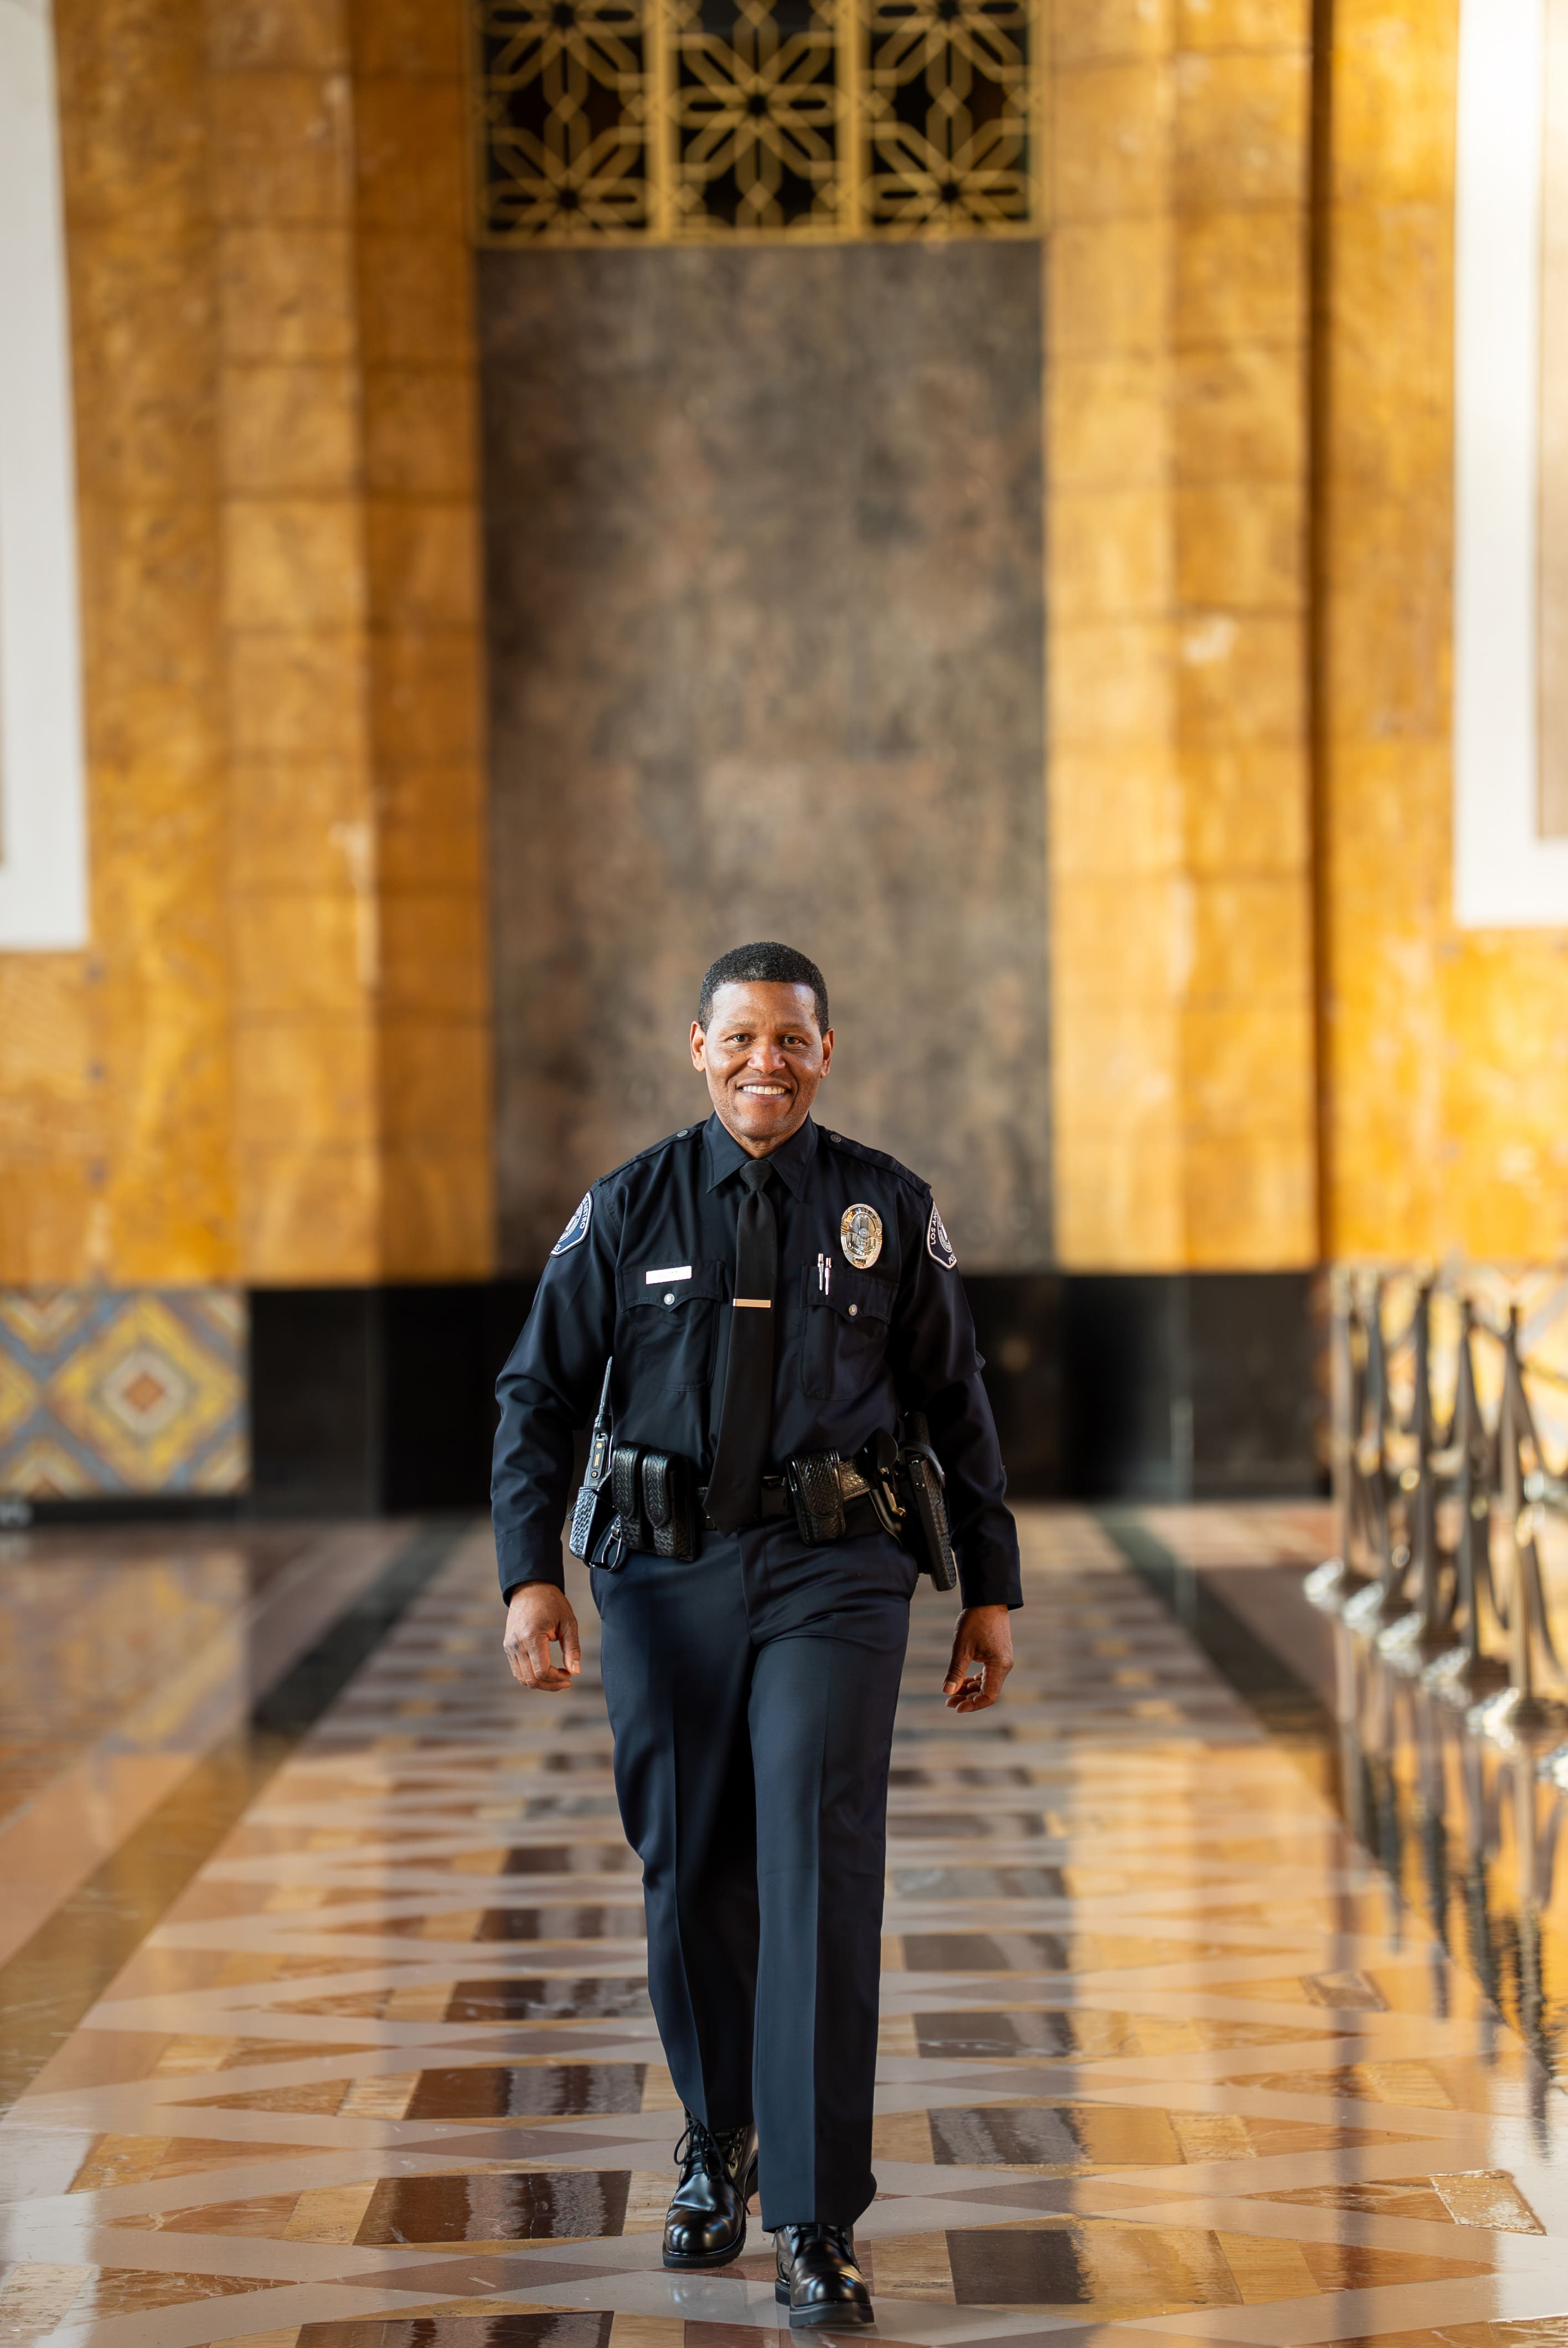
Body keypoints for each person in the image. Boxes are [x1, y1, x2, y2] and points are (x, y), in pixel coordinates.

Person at [493, 941, 1020, 2329]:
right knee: (692, 1864)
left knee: (820, 1863)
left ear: (824, 1052)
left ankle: (813, 2217)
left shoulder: (884, 1206)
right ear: (699, 1045)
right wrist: (527, 1573)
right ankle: (715, 2136)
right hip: (663, 1582)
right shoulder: (626, 1207)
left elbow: (957, 1398)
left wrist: (989, 1584)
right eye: (741, 1039)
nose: (763, 1063)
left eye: (791, 1040)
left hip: (835, 1575)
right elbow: (536, 1395)